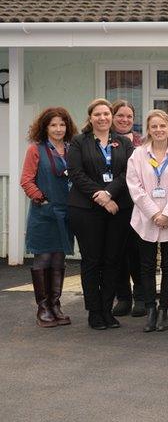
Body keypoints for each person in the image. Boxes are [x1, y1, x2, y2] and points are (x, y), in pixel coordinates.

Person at [67, 98, 135, 330]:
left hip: (118, 208)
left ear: (111, 116)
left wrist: (110, 194)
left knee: (112, 260)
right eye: (98, 114)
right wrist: (101, 196)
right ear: (90, 117)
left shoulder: (123, 143)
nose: (103, 118)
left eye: (106, 113)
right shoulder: (79, 142)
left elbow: (128, 173)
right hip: (86, 210)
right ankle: (94, 312)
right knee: (92, 261)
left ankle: (107, 310)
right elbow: (76, 173)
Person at [125, 109, 168, 332]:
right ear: (148, 130)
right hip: (146, 219)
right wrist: (154, 213)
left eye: (162, 126)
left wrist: (167, 214)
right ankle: (150, 309)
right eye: (154, 126)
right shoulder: (138, 155)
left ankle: (164, 309)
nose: (159, 130)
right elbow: (135, 188)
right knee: (147, 266)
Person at [20, 107, 78, 327]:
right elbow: (26, 180)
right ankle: (43, 308)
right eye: (53, 125)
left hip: (65, 213)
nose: (58, 129)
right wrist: (41, 198)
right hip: (43, 213)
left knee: (59, 258)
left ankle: (55, 305)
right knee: (43, 258)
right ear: (45, 127)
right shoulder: (36, 150)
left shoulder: (73, 149)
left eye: (62, 124)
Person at [110, 99, 146, 318]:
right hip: (114, 204)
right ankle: (123, 297)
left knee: (137, 252)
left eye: (129, 116)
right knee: (117, 252)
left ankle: (140, 296)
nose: (124, 120)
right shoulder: (106, 141)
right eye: (120, 116)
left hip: (138, 204)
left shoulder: (142, 142)